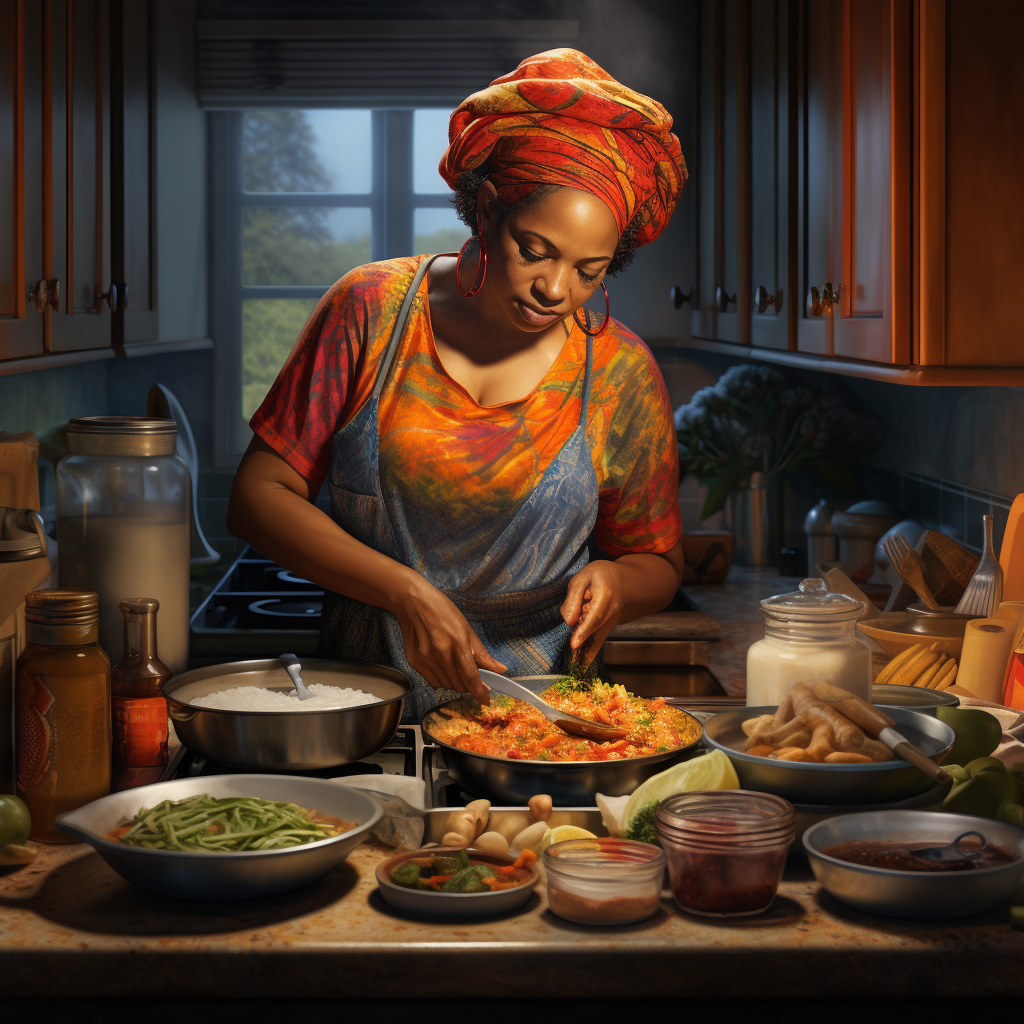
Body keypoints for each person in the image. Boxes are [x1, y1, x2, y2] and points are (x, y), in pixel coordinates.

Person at [227, 49, 688, 719]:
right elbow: (255, 498)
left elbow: (659, 565)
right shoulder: (372, 309)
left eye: (589, 272)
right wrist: (405, 591)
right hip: (364, 709)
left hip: (547, 724)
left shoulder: (621, 372)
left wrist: (620, 578)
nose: (556, 290)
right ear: (489, 208)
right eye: (536, 250)